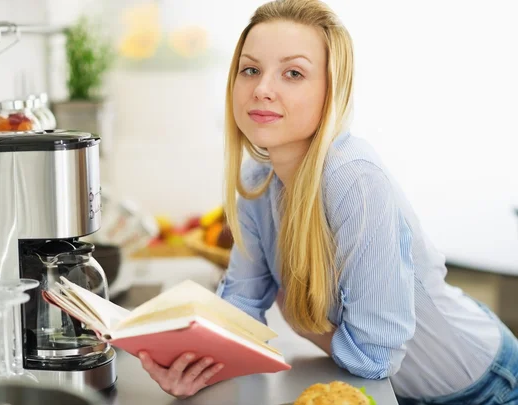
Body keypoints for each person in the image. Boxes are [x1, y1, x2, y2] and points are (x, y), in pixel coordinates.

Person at [137, 0, 518, 403]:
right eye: (250, 69)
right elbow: (241, 309)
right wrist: (197, 369)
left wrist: (300, 324)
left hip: (488, 386)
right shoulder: (256, 182)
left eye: (293, 73)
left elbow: (374, 358)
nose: (262, 88)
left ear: (331, 91)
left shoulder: (353, 179)